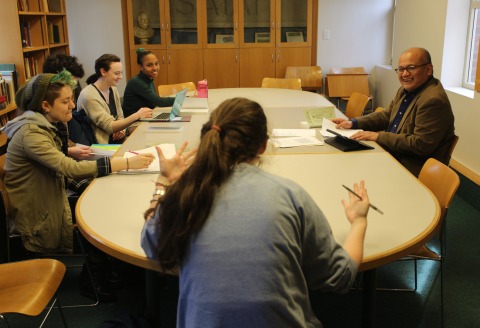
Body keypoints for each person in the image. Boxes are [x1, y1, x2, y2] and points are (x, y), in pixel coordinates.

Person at [141, 97, 370, 327]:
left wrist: (165, 184)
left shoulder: (186, 193)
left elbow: (151, 243)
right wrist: (358, 221)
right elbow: (340, 276)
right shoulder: (289, 195)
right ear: (262, 146)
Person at [1, 71, 154, 300]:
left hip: (50, 201)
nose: (73, 105)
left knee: (102, 205)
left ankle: (108, 271)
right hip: (37, 219)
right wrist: (123, 163)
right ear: (45, 105)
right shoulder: (31, 134)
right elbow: (68, 167)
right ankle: (93, 282)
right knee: (97, 220)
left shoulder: (45, 125)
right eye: (65, 101)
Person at [333, 47, 455, 177]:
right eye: (401, 69)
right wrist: (353, 123)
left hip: (411, 167)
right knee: (344, 164)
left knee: (351, 172)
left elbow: (420, 144)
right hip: (392, 153)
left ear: (428, 69)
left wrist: (378, 136)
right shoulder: (406, 91)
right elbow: (387, 116)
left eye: (411, 68)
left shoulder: (433, 100)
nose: (405, 74)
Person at [77, 53, 153, 144]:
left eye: (121, 73)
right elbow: (109, 126)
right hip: (102, 145)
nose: (120, 77)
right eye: (117, 73)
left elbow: (120, 117)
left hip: (116, 140)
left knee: (147, 133)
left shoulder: (113, 89)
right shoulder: (89, 95)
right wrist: (137, 115)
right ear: (103, 72)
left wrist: (122, 130)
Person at [42, 53, 93, 161]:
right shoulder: (38, 117)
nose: (72, 104)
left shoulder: (61, 113)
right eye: (70, 85)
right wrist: (68, 151)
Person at [122, 48, 175, 118]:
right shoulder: (136, 82)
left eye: (156, 64)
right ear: (140, 67)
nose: (155, 68)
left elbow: (153, 103)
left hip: (146, 116)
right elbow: (160, 102)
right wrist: (181, 99)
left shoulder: (149, 79)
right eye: (149, 65)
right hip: (134, 123)